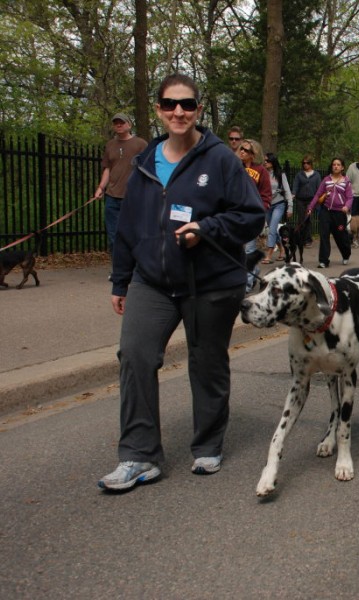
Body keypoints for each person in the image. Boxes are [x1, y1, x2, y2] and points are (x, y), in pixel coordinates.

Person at [98, 74, 265, 491]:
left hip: (210, 282)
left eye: (187, 104)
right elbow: (129, 228)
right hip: (151, 281)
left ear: (198, 110)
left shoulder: (221, 159)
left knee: (206, 363)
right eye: (170, 105)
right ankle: (139, 456)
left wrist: (206, 229)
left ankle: (207, 442)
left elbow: (251, 215)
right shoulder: (142, 161)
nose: (179, 112)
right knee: (135, 356)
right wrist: (121, 280)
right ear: (158, 110)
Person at [93, 113, 148, 258]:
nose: (119, 125)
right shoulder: (110, 145)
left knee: (133, 234)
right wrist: (100, 188)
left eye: (122, 123)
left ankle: (136, 267)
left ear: (129, 125)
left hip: (132, 197)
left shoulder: (140, 144)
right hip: (112, 197)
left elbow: (148, 169)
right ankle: (118, 269)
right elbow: (107, 168)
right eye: (116, 123)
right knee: (113, 236)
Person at [239, 139, 272, 291]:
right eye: (241, 149)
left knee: (249, 249)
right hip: (235, 214)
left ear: (253, 154)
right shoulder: (234, 167)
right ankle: (254, 271)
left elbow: (266, 195)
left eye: (246, 150)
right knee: (238, 250)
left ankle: (246, 284)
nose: (242, 152)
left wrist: (261, 211)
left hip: (252, 215)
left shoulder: (261, 171)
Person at [311, 157, 352, 268]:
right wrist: (311, 207)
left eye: (338, 164)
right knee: (324, 236)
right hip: (326, 211)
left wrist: (347, 206)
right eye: (334, 164)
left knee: (341, 237)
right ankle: (323, 260)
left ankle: (346, 254)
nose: (336, 166)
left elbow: (350, 197)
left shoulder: (346, 181)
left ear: (342, 167)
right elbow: (318, 195)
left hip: (339, 213)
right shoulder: (326, 179)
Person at [261, 153, 294, 264]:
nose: (265, 162)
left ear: (273, 162)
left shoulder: (280, 174)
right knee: (272, 229)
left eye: (267, 160)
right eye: (264, 161)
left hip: (279, 204)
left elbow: (287, 190)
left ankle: (269, 255)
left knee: (272, 229)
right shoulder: (262, 173)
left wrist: (290, 207)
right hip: (267, 205)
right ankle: (282, 248)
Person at [291, 154, 322, 247]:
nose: (305, 165)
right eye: (304, 163)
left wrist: (318, 199)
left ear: (311, 164)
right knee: (300, 219)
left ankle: (308, 240)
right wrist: (293, 193)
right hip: (300, 199)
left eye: (307, 163)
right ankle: (300, 239)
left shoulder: (316, 175)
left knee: (308, 219)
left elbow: (319, 188)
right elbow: (295, 185)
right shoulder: (299, 174)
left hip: (311, 200)